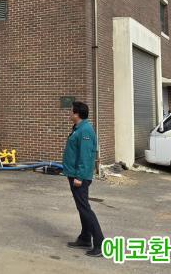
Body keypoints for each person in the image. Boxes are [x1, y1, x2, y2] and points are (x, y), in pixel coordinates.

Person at [62, 101, 104, 257]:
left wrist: (79, 177)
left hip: (79, 176)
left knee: (85, 209)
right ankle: (85, 238)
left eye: (71, 111)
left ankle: (100, 243)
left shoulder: (85, 130)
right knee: (82, 208)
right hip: (74, 174)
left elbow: (85, 156)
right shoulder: (78, 128)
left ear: (77, 114)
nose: (69, 113)